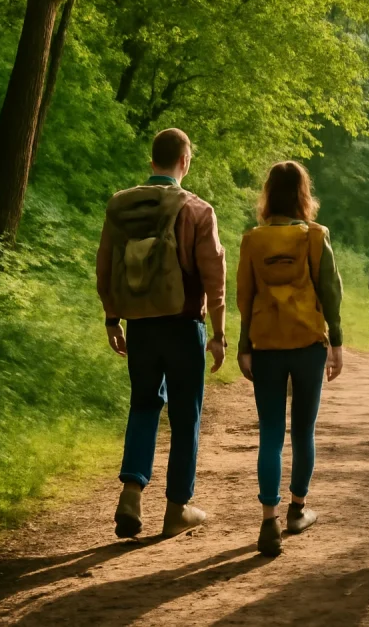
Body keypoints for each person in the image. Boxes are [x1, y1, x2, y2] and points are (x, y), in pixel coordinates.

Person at [97, 128, 228, 539]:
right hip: (184, 323)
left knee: (143, 405)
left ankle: (131, 494)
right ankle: (177, 509)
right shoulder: (196, 210)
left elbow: (105, 265)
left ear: (152, 160)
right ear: (184, 162)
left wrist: (112, 318)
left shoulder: (123, 207)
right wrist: (219, 333)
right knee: (186, 415)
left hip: (140, 327)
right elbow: (215, 277)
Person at [236, 161, 344, 558]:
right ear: (303, 195)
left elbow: (244, 297)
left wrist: (243, 346)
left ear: (268, 195)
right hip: (307, 344)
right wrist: (337, 343)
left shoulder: (253, 239)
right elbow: (330, 291)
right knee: (303, 430)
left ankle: (269, 521)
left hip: (265, 344)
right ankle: (297, 510)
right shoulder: (315, 236)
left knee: (269, 433)